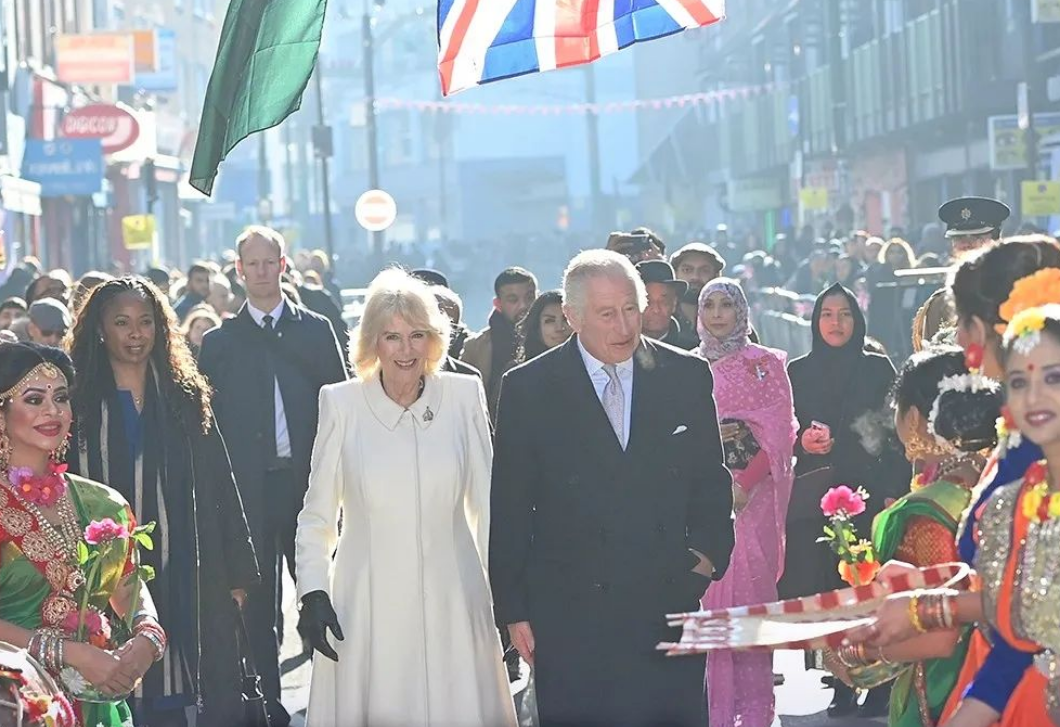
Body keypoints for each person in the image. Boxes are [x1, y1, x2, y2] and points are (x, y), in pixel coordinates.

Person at [490, 249, 734, 727]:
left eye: (631, 308)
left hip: (667, 596)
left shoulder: (684, 374)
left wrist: (705, 558)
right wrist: (514, 608)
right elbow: (512, 505)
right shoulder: (528, 388)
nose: (624, 325)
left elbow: (710, 477)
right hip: (571, 610)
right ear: (572, 316)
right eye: (607, 314)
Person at [844, 237, 1060, 725]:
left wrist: (928, 609)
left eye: (960, 322)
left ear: (987, 329)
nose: (958, 342)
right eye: (1023, 382)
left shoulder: (1033, 455)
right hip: (999, 677)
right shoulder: (1019, 444)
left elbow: (1033, 610)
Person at [295, 269, 516, 727]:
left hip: (456, 597)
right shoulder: (341, 404)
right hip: (367, 604)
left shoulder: (463, 396)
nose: (406, 349)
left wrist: (507, 597)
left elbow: (489, 509)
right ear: (372, 342)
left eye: (418, 335)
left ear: (435, 339)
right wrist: (312, 591)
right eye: (392, 337)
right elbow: (317, 514)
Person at [66, 277, 260, 727]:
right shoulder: (77, 400)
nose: (136, 333)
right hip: (98, 565)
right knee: (108, 676)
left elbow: (220, 484)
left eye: (145, 322)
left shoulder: (183, 396)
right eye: (122, 322)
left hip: (183, 561)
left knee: (179, 681)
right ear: (100, 329)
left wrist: (237, 572)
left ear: (160, 329)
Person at [198, 226, 346, 727]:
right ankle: (268, 707)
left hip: (310, 487)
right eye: (251, 264)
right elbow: (206, 423)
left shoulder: (316, 330)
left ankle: (337, 698)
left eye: (270, 262)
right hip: (247, 492)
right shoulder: (220, 342)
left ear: (284, 265)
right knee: (257, 607)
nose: (261, 273)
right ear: (238, 272)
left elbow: (340, 404)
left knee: (321, 589)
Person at [831, 347, 999, 727]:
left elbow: (941, 634)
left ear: (913, 416)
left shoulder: (927, 512)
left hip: (946, 697)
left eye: (897, 407)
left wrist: (854, 653)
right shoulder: (999, 484)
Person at [0, 342, 165, 726]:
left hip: (95, 699)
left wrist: (147, 636)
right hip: (15, 703)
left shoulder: (103, 503)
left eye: (60, 398)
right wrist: (71, 654)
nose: (52, 410)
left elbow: (130, 587)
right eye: (34, 399)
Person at [780, 282, 910, 717]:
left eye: (845, 314)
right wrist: (805, 442)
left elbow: (894, 434)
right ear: (816, 322)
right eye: (827, 315)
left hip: (869, 492)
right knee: (830, 587)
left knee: (870, 587)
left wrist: (894, 490)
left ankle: (878, 682)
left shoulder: (877, 368)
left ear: (858, 321)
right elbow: (786, 430)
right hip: (822, 495)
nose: (836, 323)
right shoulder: (798, 370)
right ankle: (839, 678)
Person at [696, 278, 796, 727]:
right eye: (709, 305)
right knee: (710, 601)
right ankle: (714, 712)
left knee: (752, 601)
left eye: (726, 305)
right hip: (703, 499)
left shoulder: (766, 364)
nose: (718, 314)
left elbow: (779, 432)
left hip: (752, 502)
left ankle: (755, 713)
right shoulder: (686, 366)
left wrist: (745, 485)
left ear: (742, 311)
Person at [460, 267, 537, 417]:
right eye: (513, 300)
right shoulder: (475, 347)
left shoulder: (555, 339)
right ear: (498, 304)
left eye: (529, 297)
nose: (523, 306)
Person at [670, 242, 725, 342]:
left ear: (716, 276)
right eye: (687, 270)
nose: (695, 277)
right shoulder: (661, 316)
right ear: (675, 273)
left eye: (704, 270)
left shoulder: (730, 320)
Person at [636, 260, 691, 347]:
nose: (656, 310)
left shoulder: (692, 352)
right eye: (648, 301)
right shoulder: (617, 349)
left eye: (663, 301)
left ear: (674, 304)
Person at [938, 196, 1009, 260]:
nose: (966, 244)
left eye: (975, 238)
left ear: (995, 239)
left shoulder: (1012, 271)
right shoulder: (942, 272)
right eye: (959, 238)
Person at [512, 290, 571, 364]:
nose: (559, 328)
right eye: (550, 321)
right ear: (537, 328)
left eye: (566, 319)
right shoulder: (519, 372)